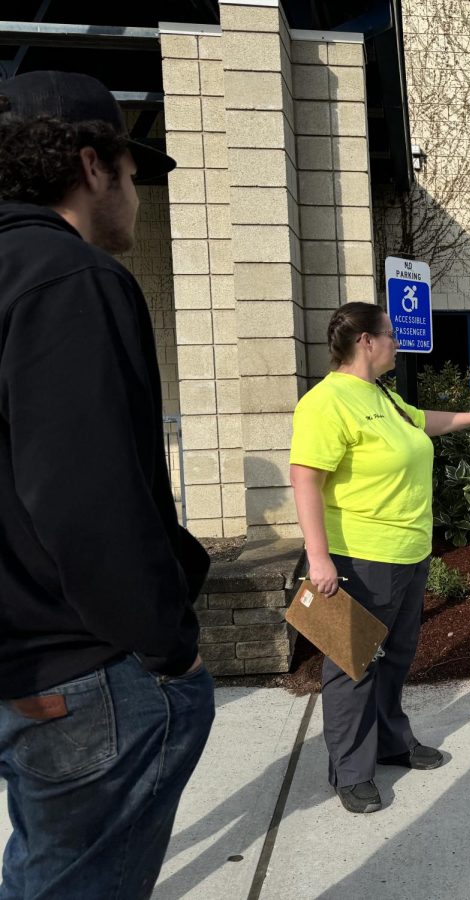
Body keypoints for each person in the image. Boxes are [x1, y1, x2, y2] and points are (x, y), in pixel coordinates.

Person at [0, 72, 214, 898]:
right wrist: (172, 650)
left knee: (44, 872)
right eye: (133, 172)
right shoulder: (71, 280)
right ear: (93, 166)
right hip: (82, 672)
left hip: (25, 667)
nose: (137, 196)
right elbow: (89, 504)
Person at [289, 302, 470, 814]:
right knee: (353, 664)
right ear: (366, 341)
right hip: (357, 557)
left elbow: (421, 423)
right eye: (390, 336)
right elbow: (305, 478)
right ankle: (350, 771)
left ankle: (391, 742)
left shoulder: (381, 396)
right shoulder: (326, 403)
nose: (396, 343)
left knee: (395, 657)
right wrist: (317, 558)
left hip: (409, 553)